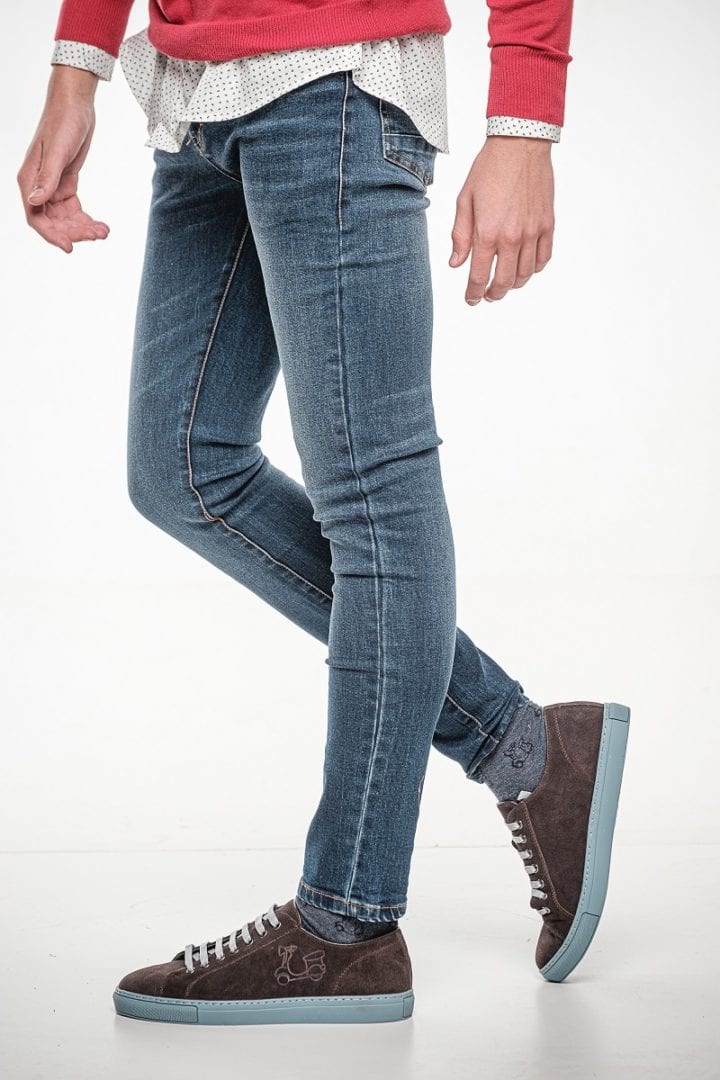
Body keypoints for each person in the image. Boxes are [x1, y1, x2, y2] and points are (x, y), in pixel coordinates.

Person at [17, 0, 630, 1026]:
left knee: (374, 494)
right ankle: (526, 748)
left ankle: (349, 923)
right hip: (198, 95)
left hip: (337, 83)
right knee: (182, 468)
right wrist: (75, 69)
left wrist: (524, 125)